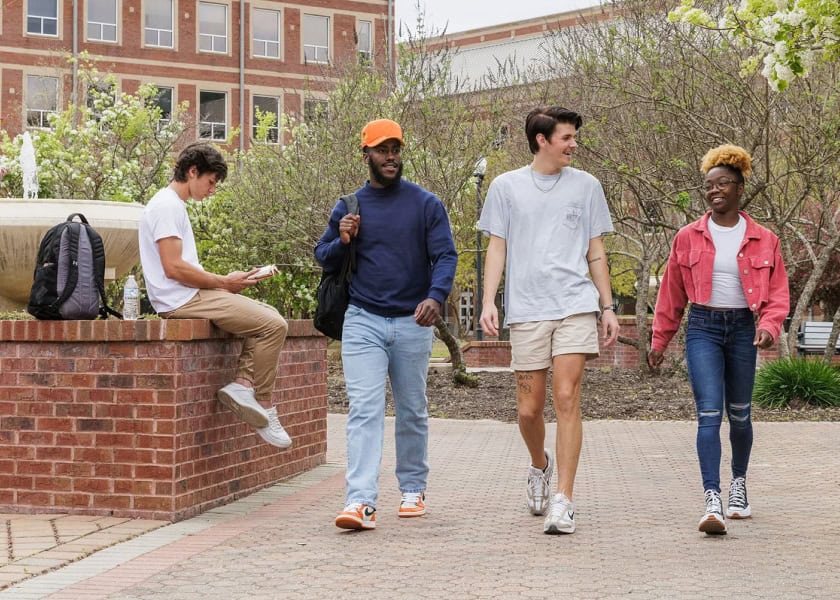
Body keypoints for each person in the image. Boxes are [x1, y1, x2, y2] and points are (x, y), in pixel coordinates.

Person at [478, 106, 619, 535]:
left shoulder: (587, 186)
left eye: (574, 137)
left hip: (575, 304)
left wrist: (608, 305)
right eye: (566, 138)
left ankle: (564, 499)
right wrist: (488, 300)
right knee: (528, 408)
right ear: (542, 140)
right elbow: (497, 248)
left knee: (567, 396)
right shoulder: (505, 187)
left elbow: (595, 249)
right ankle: (539, 464)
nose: (573, 144)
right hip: (527, 310)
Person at [315, 119, 458, 531]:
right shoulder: (349, 206)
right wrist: (341, 240)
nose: (391, 156)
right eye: (382, 149)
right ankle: (360, 501)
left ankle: (413, 488)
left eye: (395, 148)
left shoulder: (425, 204)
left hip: (413, 321)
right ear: (366, 155)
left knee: (412, 409)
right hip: (363, 320)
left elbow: (445, 255)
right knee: (364, 409)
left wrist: (435, 296)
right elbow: (321, 256)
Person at [648, 144, 789, 535]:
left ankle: (738, 484)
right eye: (709, 185)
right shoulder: (688, 236)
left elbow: (778, 294)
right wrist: (660, 340)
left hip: (744, 329)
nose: (714, 191)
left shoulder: (764, 239)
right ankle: (713, 499)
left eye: (723, 184)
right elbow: (671, 294)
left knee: (740, 413)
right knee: (709, 412)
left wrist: (769, 326)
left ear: (740, 188)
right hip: (704, 328)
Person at [139, 142, 291, 449]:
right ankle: (262, 404)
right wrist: (224, 282)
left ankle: (243, 386)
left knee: (270, 317)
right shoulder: (166, 205)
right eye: (210, 182)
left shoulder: (171, 205)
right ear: (192, 172)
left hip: (190, 294)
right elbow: (173, 267)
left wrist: (226, 282)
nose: (212, 190)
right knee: (274, 326)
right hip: (182, 300)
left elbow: (181, 266)